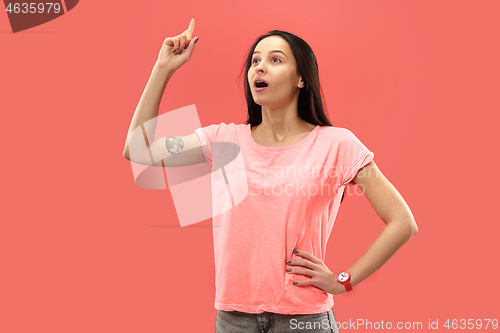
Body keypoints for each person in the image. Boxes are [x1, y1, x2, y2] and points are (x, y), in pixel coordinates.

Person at [123, 18, 418, 333]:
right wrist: (163, 69)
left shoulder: (337, 144)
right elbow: (138, 151)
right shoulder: (223, 141)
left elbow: (403, 222)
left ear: (301, 79)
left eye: (275, 59)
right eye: (255, 61)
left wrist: (342, 280)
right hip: (233, 320)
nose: (259, 68)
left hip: (303, 320)